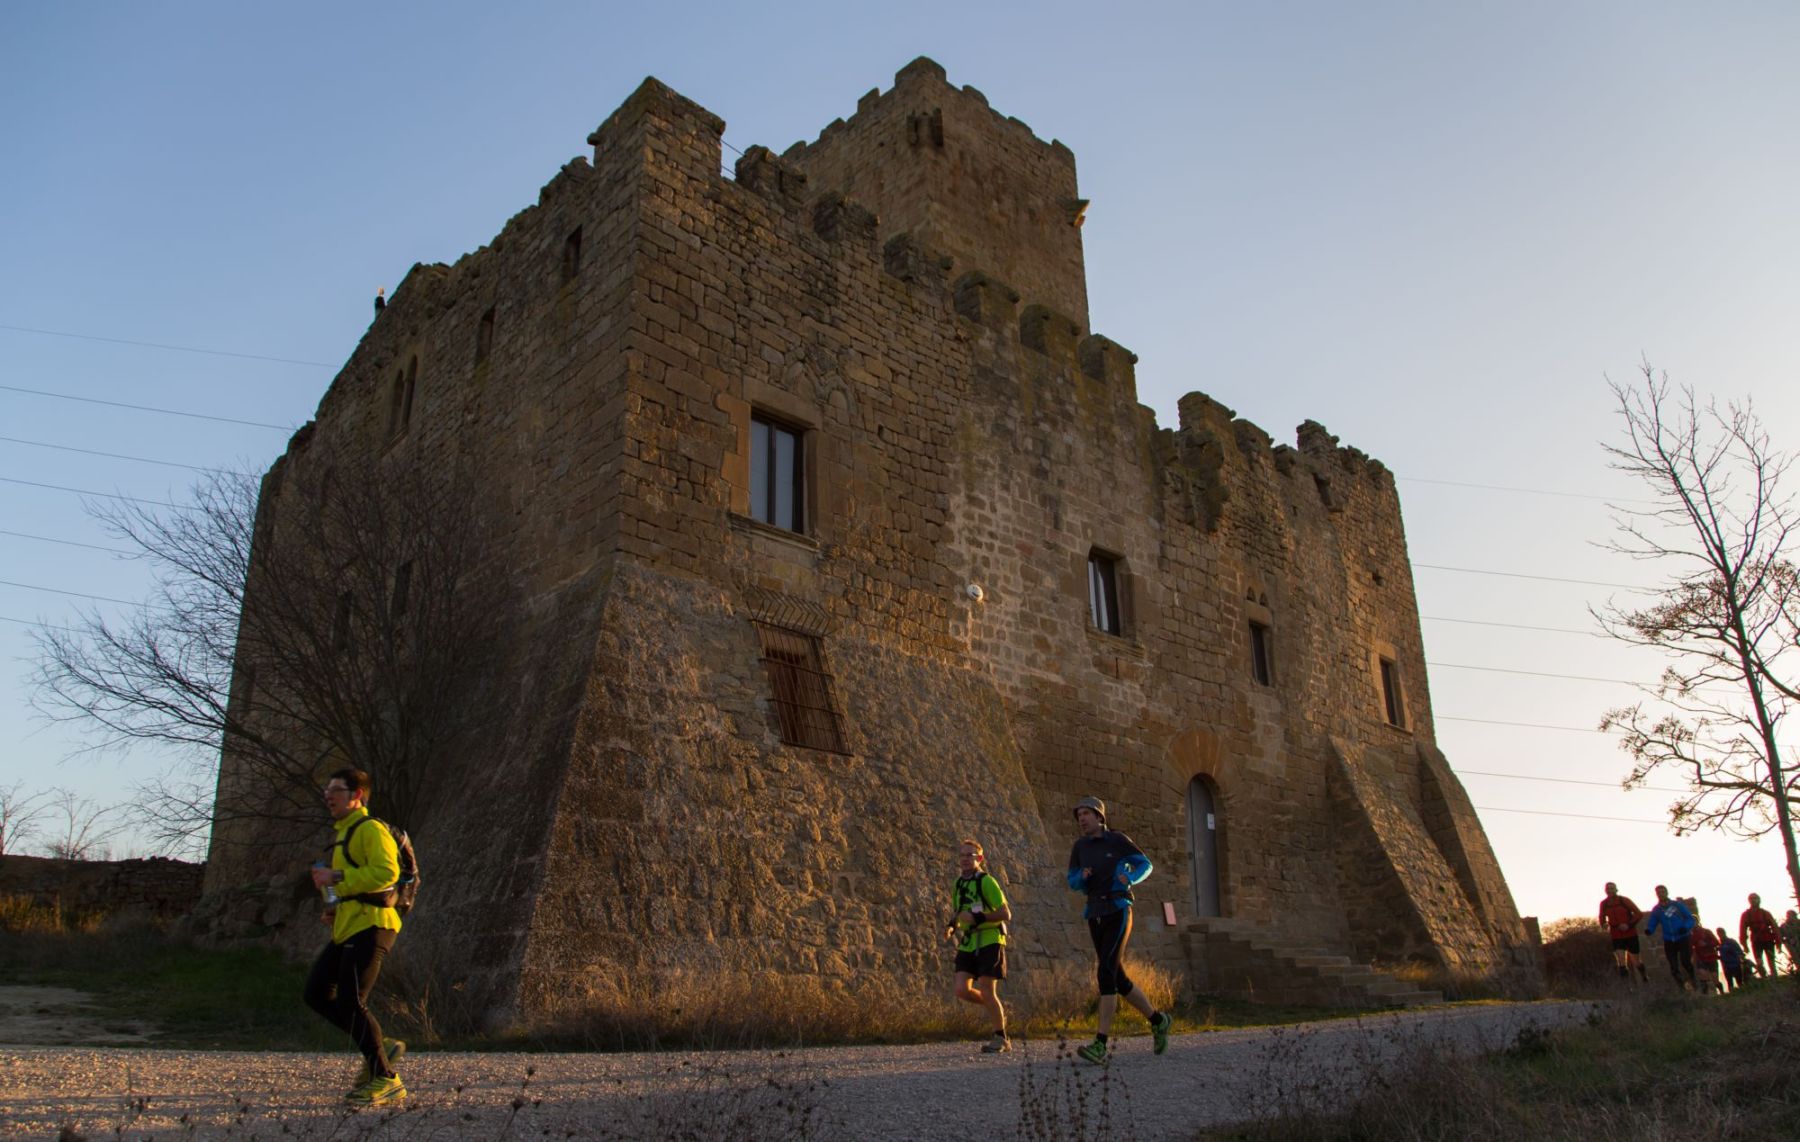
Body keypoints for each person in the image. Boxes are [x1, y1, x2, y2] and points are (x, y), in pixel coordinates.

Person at [305, 767, 407, 1106]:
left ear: (356, 796)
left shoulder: (370, 828)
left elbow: (386, 873)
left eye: (336, 789)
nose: (328, 795)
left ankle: (386, 1079)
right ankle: (382, 1046)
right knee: (316, 993)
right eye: (327, 790)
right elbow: (347, 885)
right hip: (349, 925)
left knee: (351, 1000)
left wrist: (336, 875)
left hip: (374, 924)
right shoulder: (341, 836)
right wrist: (333, 908)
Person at [1066, 796, 1172, 1063]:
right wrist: (1083, 878)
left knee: (1105, 972)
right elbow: (1072, 880)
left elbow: (1145, 864)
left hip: (1118, 908)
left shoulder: (1117, 840)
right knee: (1119, 978)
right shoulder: (1080, 847)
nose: (1082, 818)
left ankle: (1100, 1044)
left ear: (1100, 816)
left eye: (1086, 813)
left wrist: (1131, 878)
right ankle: (1158, 1020)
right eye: (1079, 814)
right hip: (1094, 912)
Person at [948, 838, 1012, 1053]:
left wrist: (978, 919)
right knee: (961, 990)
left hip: (990, 939)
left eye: (970, 856)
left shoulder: (987, 881)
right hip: (968, 942)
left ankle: (1000, 1037)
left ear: (980, 859)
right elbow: (959, 911)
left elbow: (1005, 913)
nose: (965, 859)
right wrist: (951, 926)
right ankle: (997, 1011)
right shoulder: (958, 883)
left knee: (986, 989)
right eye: (962, 855)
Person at [1643, 885, 1697, 990]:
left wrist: (1685, 928)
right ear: (1656, 894)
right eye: (1658, 892)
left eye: (1662, 891)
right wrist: (1649, 930)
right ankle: (1682, 988)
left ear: (1667, 892)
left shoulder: (1677, 905)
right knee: (1673, 966)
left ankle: (1693, 980)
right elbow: (1653, 921)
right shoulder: (1657, 909)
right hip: (1669, 940)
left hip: (1682, 937)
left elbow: (1690, 919)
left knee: (1686, 962)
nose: (1661, 894)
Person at [1597, 882, 1648, 983]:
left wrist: (1628, 925)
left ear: (1616, 889)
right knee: (1621, 962)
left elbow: (1638, 914)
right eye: (1608, 889)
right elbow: (1601, 916)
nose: (1610, 890)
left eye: (1612, 888)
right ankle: (1627, 988)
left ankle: (1644, 978)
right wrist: (1603, 924)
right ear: (1605, 891)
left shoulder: (1624, 900)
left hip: (1630, 934)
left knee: (1636, 962)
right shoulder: (1604, 903)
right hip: (1616, 935)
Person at [1738, 893, 1781, 979]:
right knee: (1759, 961)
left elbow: (1774, 927)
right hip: (1756, 940)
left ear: (1759, 900)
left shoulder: (1765, 913)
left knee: (1771, 960)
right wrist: (1744, 945)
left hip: (1768, 938)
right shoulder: (1746, 915)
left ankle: (1774, 977)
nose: (1753, 900)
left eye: (1755, 898)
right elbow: (1742, 930)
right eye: (1751, 899)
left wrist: (1778, 942)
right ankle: (1764, 977)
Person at [1689, 923, 1721, 995]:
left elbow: (1716, 942)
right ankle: (1706, 996)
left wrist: (1706, 944)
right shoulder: (1690, 935)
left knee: (1715, 979)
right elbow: (1690, 947)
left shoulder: (1706, 931)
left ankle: (1721, 993)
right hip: (1700, 958)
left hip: (1711, 957)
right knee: (1703, 977)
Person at [1717, 928, 1747, 992]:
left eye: (1720, 933)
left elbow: (1739, 951)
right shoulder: (1719, 944)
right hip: (1726, 966)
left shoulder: (1731, 941)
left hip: (1735, 964)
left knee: (1739, 982)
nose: (1720, 935)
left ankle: (1743, 993)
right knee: (1730, 984)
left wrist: (1742, 958)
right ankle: (1733, 994)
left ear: (1724, 933)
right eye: (1718, 934)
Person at [1781, 909, 1800, 975]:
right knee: (1796, 958)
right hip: (1791, 945)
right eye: (1788, 915)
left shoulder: (1798, 923)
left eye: (1791, 915)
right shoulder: (1784, 925)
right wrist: (1786, 942)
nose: (1789, 916)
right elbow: (1781, 935)